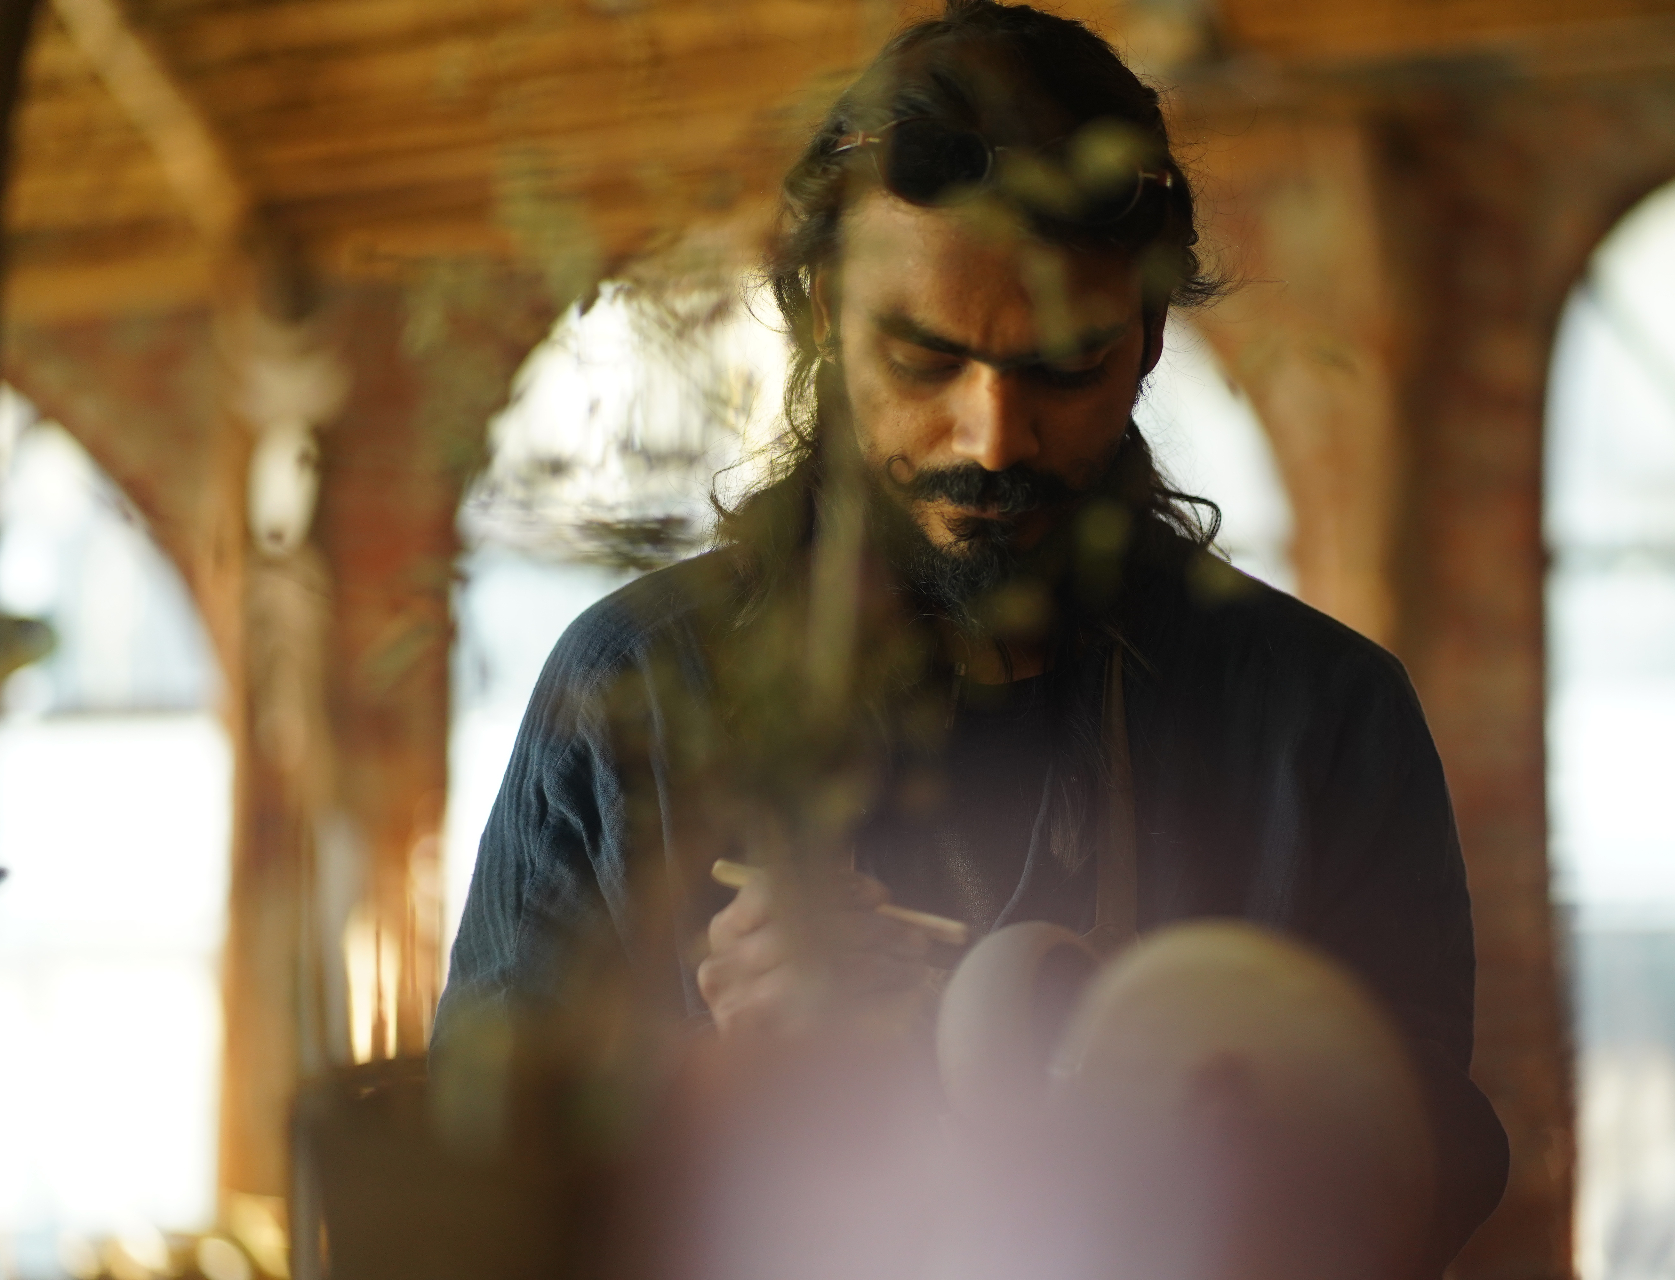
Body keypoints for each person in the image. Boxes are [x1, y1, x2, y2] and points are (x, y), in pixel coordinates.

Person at [438, 0, 1508, 1270]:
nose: (994, 438)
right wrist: (721, 1090)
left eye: (1066, 367)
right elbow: (471, 1206)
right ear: (821, 315)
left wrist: (1218, 1098)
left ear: (1153, 334)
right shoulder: (636, 696)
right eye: (925, 358)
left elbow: (1438, 1176)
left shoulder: (1322, 716)